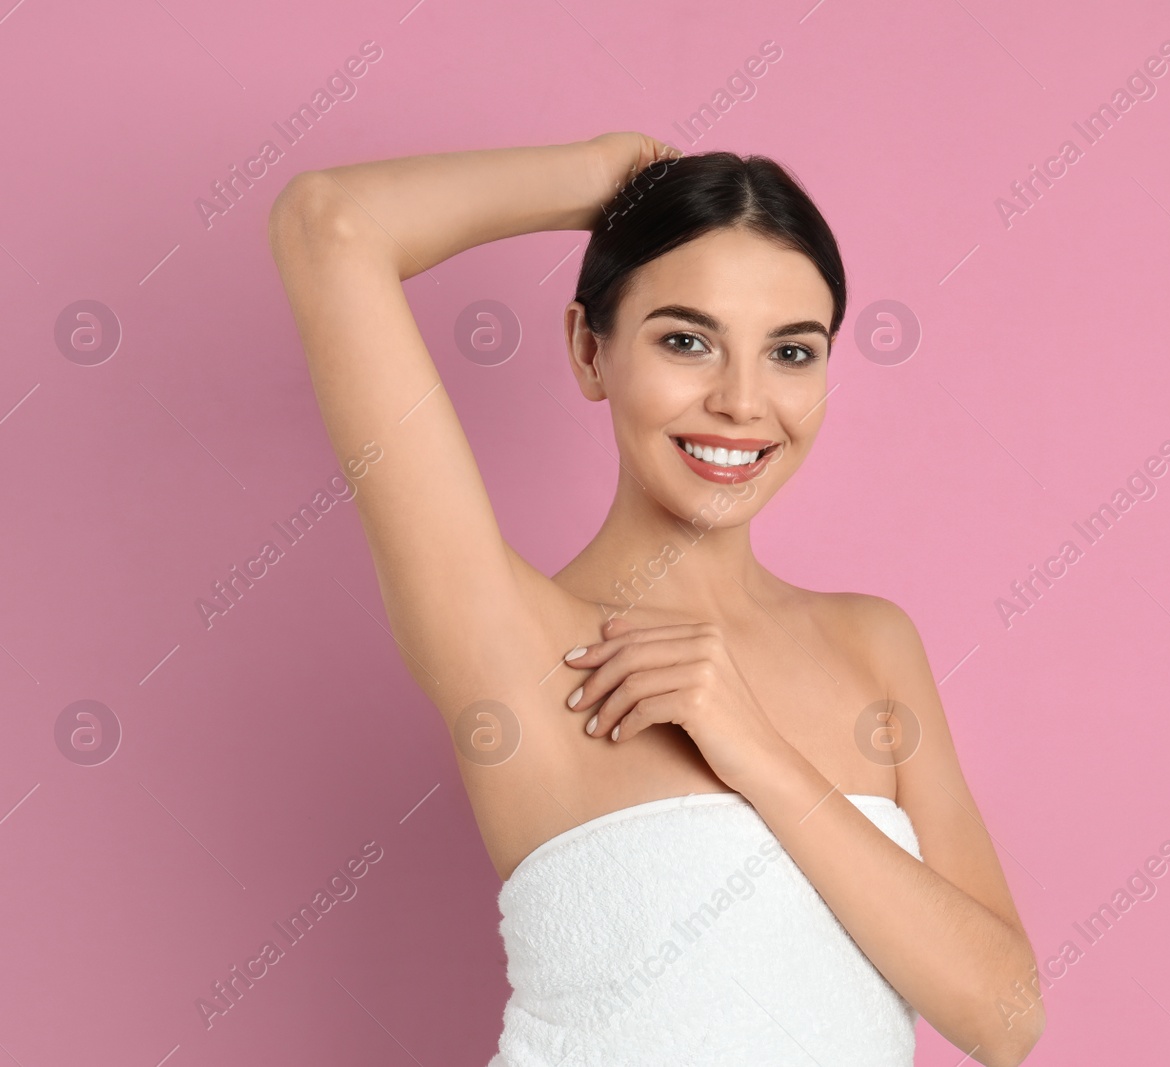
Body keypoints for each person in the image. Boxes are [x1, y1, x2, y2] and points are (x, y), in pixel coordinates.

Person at [267, 131, 1044, 1066]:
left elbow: (1006, 1019)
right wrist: (606, 178)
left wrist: (753, 747)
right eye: (687, 340)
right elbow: (330, 226)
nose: (743, 402)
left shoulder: (873, 644)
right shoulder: (511, 640)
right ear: (589, 352)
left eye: (791, 353)